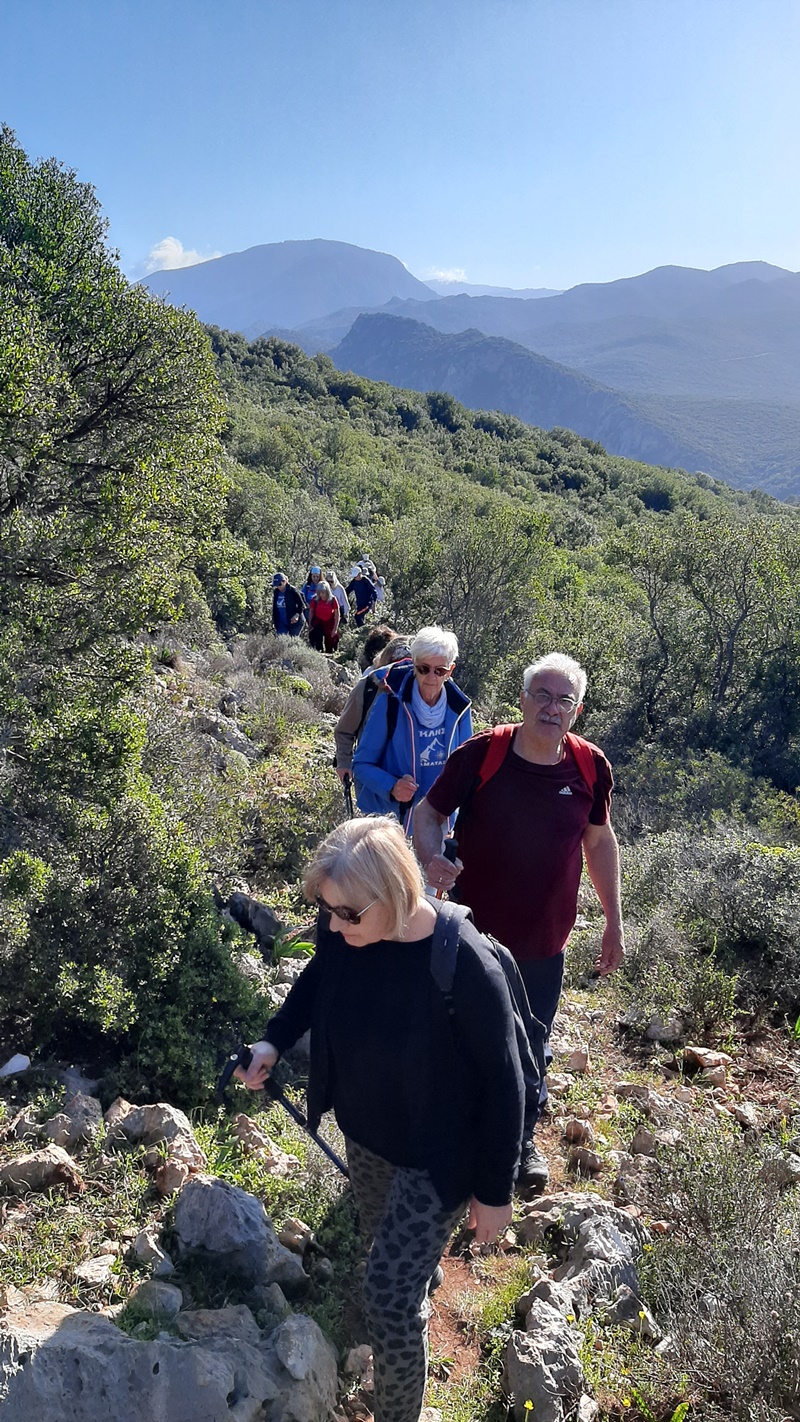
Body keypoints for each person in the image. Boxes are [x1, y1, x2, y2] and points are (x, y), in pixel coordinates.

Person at [236, 815, 523, 1422]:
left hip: (440, 1160)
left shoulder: (466, 965)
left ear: (394, 893)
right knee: (381, 1244)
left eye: (347, 914)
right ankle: (419, 1273)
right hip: (366, 1135)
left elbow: (505, 1085)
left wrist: (495, 1193)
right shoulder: (348, 930)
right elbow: (316, 981)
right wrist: (273, 1041)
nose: (335, 926)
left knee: (387, 1300)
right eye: (330, 912)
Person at [413, 652, 624, 1191]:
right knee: (461, 1031)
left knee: (530, 1040)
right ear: (524, 699)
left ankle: (519, 1142)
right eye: (543, 696)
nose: (551, 708)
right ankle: (450, 1136)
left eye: (564, 700)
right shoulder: (484, 753)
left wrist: (613, 919)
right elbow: (428, 814)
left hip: (543, 937)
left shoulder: (589, 766)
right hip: (471, 930)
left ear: (576, 711)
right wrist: (431, 857)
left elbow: (598, 840)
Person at [352, 627, 473, 833]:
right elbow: (361, 765)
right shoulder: (389, 703)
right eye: (423, 669)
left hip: (440, 827)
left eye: (440, 670)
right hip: (394, 826)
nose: (431, 677)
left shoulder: (459, 710)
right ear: (413, 665)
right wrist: (392, 786)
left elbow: (467, 770)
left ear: (450, 671)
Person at [334, 634, 412, 783]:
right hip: (373, 774)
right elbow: (344, 730)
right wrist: (344, 762)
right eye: (397, 665)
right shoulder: (367, 688)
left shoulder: (427, 691)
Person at [308, 579, 341, 653]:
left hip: (329, 622)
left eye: (323, 592)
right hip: (318, 622)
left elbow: (337, 614)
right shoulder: (315, 599)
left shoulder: (333, 600)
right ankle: (319, 652)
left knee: (331, 640)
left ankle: (330, 654)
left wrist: (335, 629)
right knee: (316, 637)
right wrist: (310, 624)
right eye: (319, 593)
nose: (321, 595)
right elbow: (311, 612)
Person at [271, 572, 305, 637]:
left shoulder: (293, 591)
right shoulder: (276, 592)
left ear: (284, 582)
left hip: (294, 623)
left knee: (292, 642)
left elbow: (301, 604)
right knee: (282, 641)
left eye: (279, 584)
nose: (278, 587)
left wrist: (296, 615)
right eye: (276, 585)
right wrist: (274, 621)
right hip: (281, 622)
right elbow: (274, 608)